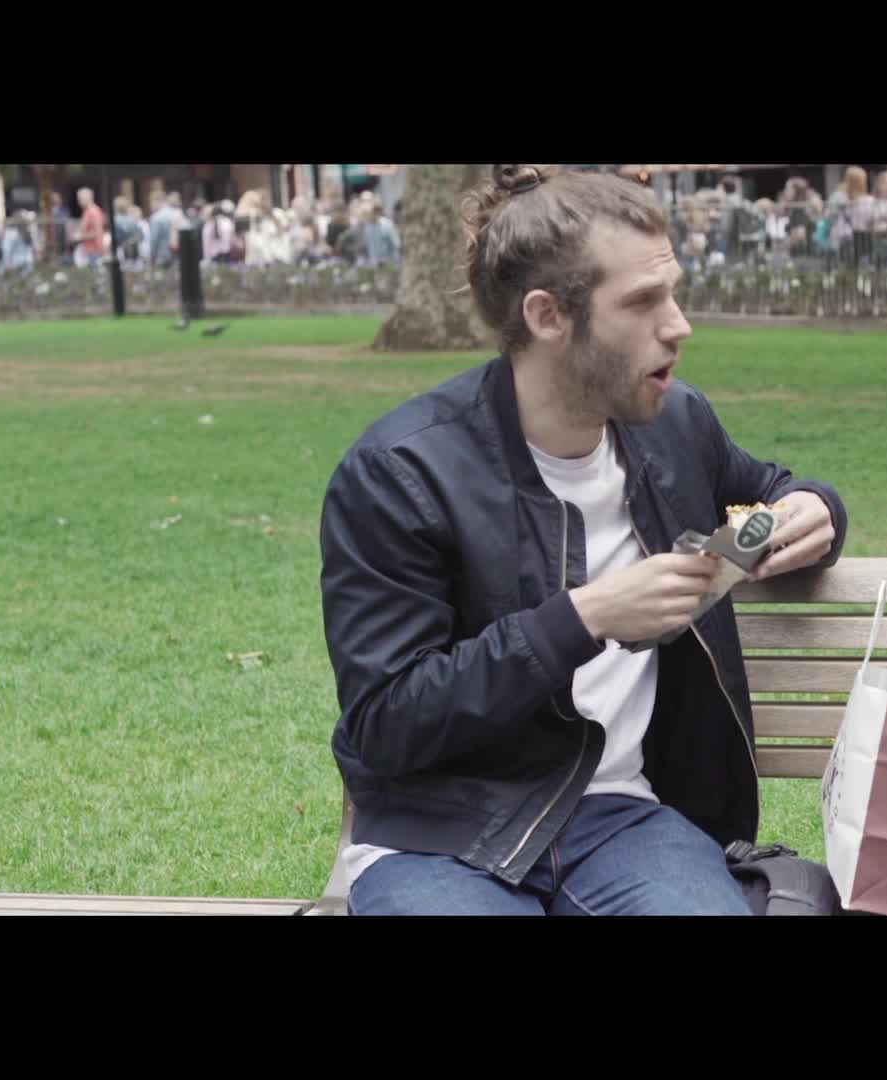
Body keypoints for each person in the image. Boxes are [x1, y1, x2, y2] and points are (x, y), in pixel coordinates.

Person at [319, 165, 849, 916]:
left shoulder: (675, 427)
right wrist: (585, 618)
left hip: (623, 820)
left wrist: (815, 508)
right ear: (548, 316)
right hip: (440, 834)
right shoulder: (401, 473)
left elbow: (772, 489)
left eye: (673, 293)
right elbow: (387, 722)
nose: (679, 324)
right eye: (642, 301)